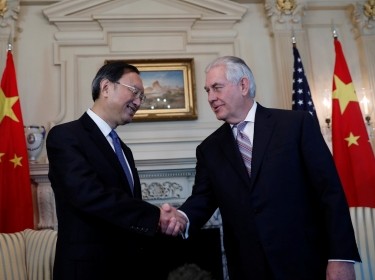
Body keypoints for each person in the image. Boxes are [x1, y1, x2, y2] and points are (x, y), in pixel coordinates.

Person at [174, 56, 361, 279]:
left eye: (217, 88)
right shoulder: (209, 149)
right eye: (207, 91)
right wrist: (181, 217)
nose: (211, 98)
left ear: (243, 85)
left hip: (307, 263)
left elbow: (330, 192)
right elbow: (202, 199)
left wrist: (340, 256)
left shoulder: (295, 125)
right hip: (249, 269)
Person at [46, 61, 185, 280]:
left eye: (142, 97)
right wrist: (155, 215)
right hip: (87, 271)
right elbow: (88, 195)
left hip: (126, 268)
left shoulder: (124, 150)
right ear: (106, 88)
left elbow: (125, 209)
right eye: (134, 92)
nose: (139, 102)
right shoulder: (65, 136)